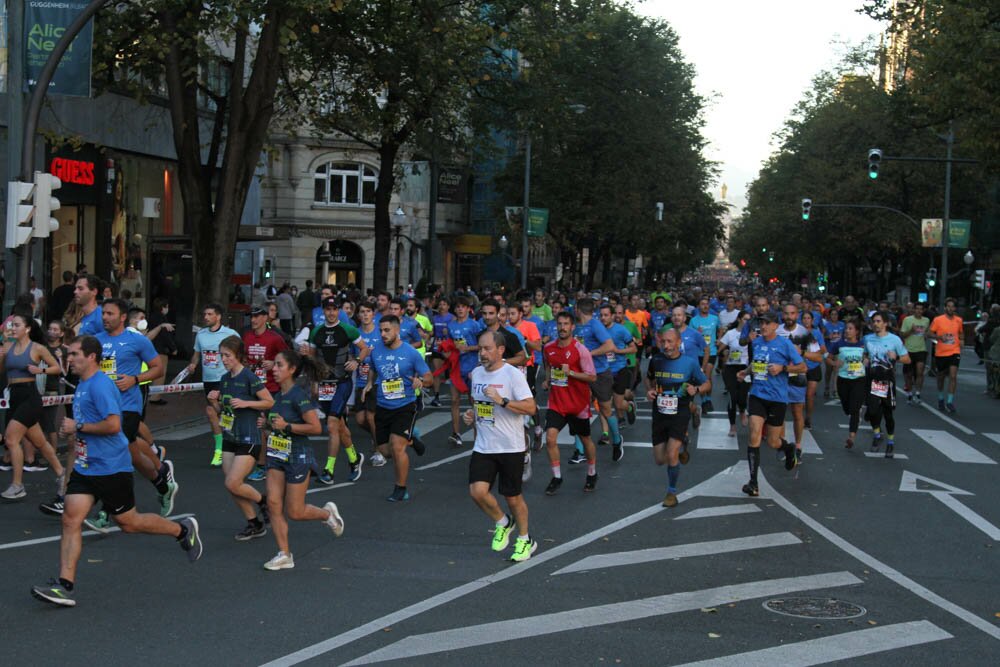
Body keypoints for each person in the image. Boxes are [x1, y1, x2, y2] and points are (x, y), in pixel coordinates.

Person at [31, 335, 202, 607]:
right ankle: (64, 586)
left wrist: (79, 428)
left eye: (75, 354)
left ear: (91, 357)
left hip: (112, 467)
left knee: (129, 522)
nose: (70, 359)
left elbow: (113, 425)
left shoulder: (101, 386)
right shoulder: (83, 384)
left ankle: (182, 530)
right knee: (70, 520)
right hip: (87, 468)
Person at [90, 298, 176, 527]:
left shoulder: (136, 341)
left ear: (122, 317)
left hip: (128, 406)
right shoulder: (96, 341)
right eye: (103, 314)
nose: (105, 317)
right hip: (103, 407)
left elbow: (158, 367)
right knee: (133, 456)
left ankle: (105, 512)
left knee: (113, 454)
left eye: (110, 314)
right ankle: (162, 484)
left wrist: (135, 379)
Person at [257, 349, 344, 570]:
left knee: (295, 511)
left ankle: (327, 514)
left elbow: (315, 427)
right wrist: (266, 425)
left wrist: (286, 426)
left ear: (292, 369)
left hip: (297, 455)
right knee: (273, 504)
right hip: (276, 455)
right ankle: (285, 554)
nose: (274, 369)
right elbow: (276, 425)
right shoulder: (278, 395)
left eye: (278, 365)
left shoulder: (299, 396)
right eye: (274, 365)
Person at [464, 330, 539, 562]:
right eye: (480, 348)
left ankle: (525, 539)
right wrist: (471, 414)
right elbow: (478, 404)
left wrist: (503, 400)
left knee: (513, 497)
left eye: (487, 349)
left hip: (510, 447)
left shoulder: (512, 375)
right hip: (484, 445)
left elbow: (531, 408)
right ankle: (503, 522)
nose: (482, 353)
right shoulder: (476, 374)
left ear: (500, 350)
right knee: (477, 492)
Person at [208, 336, 274, 540]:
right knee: (232, 484)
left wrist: (247, 404)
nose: (223, 359)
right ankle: (254, 523)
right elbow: (224, 410)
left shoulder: (249, 377)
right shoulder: (225, 379)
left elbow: (269, 402)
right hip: (230, 435)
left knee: (233, 482)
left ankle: (263, 501)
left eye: (227, 355)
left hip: (249, 437)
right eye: (222, 355)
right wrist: (214, 403)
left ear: (238, 356)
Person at [363, 315, 433, 502]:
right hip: (383, 405)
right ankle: (411, 438)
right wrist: (369, 383)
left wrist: (421, 381)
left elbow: (429, 378)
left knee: (396, 446)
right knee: (385, 451)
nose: (383, 334)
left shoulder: (410, 353)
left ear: (397, 330)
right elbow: (372, 368)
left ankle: (401, 489)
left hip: (405, 405)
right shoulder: (376, 351)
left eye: (387, 330)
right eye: (381, 330)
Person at [0, 314, 67, 500]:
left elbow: (56, 368)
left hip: (30, 395)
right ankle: (62, 475)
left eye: (17, 325)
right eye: (11, 325)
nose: (13, 328)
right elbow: (2, 371)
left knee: (11, 439)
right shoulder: (8, 347)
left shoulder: (37, 348)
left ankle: (17, 485)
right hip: (14, 395)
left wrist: (40, 370)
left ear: (27, 328)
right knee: (39, 442)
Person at [738, 311, 805, 497]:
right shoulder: (757, 342)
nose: (764, 327)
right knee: (754, 435)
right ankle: (753, 482)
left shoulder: (785, 344)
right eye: (761, 323)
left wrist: (783, 368)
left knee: (773, 441)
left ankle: (788, 448)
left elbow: (802, 366)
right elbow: (756, 363)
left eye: (767, 323)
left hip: (777, 398)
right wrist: (745, 372)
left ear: (776, 325)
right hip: (758, 394)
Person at [304, 296, 369, 484]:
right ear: (323, 311)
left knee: (332, 424)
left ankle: (329, 470)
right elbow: (313, 360)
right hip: (325, 385)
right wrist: (314, 383)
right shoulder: (317, 331)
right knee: (340, 427)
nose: (331, 313)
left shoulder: (347, 329)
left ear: (339, 311)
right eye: (328, 309)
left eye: (334, 309)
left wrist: (356, 361)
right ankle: (355, 459)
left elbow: (364, 349)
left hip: (342, 382)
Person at [646, 328, 711, 507]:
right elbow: (649, 379)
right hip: (659, 413)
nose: (666, 345)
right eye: (663, 342)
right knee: (660, 460)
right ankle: (684, 443)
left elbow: (707, 383)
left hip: (680, 413)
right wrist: (650, 390)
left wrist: (696, 389)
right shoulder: (656, 360)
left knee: (671, 453)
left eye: (669, 342)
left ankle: (671, 493)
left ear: (678, 342)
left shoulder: (689, 363)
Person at [541, 311, 598, 495]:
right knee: (550, 438)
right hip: (557, 402)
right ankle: (557, 477)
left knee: (585, 439)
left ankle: (591, 473)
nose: (562, 327)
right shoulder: (548, 347)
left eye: (566, 324)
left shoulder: (581, 350)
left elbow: (592, 377)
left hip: (577, 404)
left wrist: (571, 373)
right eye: (560, 324)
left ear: (573, 327)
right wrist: (547, 380)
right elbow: (549, 365)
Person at [186, 303, 239, 466]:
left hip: (225, 378)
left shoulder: (230, 334)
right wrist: (193, 364)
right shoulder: (201, 334)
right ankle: (220, 449)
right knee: (212, 412)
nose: (206, 317)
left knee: (224, 413)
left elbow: (240, 354)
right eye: (205, 314)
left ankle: (229, 446)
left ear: (218, 316)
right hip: (208, 379)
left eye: (209, 314)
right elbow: (197, 354)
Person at [242, 305, 288, 481]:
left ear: (265, 318)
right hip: (253, 388)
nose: (253, 320)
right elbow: (244, 358)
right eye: (251, 317)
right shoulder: (247, 336)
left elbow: (288, 359)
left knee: (265, 426)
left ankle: (263, 465)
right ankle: (270, 461)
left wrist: (274, 364)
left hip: (271, 389)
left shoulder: (275, 338)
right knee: (257, 427)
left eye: (256, 316)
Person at [863, 311, 911, 458]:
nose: (875, 324)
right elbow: (865, 354)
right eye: (873, 322)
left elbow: (907, 359)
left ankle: (890, 442)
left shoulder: (894, 340)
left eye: (878, 321)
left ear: (885, 323)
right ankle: (877, 435)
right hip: (872, 379)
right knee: (871, 412)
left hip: (887, 380)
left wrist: (895, 357)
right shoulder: (867, 339)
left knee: (888, 413)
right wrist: (864, 360)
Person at [599, 303, 638, 461]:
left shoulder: (621, 330)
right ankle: (606, 434)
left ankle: (630, 407)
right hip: (603, 372)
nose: (603, 318)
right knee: (604, 404)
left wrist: (618, 351)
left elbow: (633, 348)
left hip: (620, 370)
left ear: (613, 315)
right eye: (601, 315)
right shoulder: (597, 331)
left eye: (606, 315)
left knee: (619, 404)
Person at [445, 296, 485, 447]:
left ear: (468, 309)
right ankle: (456, 434)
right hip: (456, 368)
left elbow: (482, 346)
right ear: (455, 309)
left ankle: (478, 435)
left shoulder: (475, 325)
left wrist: (467, 348)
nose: (460, 309)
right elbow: (448, 345)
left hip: (472, 367)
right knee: (454, 400)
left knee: (473, 401)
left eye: (463, 307)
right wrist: (447, 353)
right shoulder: (450, 326)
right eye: (458, 307)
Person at [352, 302, 384, 466]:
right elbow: (352, 356)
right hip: (360, 381)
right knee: (359, 419)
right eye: (362, 312)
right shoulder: (355, 334)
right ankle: (378, 437)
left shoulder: (380, 332)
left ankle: (379, 451)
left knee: (371, 417)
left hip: (377, 381)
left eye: (368, 311)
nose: (365, 315)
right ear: (358, 315)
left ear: (373, 314)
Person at [834, 320, 867, 450]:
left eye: (850, 328)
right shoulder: (839, 344)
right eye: (846, 328)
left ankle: (851, 437)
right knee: (846, 408)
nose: (847, 331)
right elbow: (828, 357)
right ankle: (855, 413)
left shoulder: (863, 345)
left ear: (857, 331)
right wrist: (834, 363)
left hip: (859, 379)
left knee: (854, 410)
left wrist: (867, 360)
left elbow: (869, 356)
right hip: (843, 379)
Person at [717, 313, 751, 437]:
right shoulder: (731, 333)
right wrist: (724, 352)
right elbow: (719, 350)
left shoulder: (751, 334)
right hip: (731, 368)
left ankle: (742, 410)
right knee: (732, 396)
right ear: (739, 319)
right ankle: (732, 425)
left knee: (741, 396)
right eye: (745, 319)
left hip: (746, 368)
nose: (747, 322)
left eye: (749, 319)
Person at [927, 298, 963, 413]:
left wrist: (962, 340)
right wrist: (939, 337)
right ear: (945, 307)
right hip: (941, 352)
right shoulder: (938, 320)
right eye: (948, 306)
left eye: (952, 306)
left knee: (953, 376)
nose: (950, 308)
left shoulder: (959, 320)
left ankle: (950, 401)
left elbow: (961, 333)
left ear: (955, 308)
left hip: (954, 351)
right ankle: (941, 397)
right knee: (941, 376)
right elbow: (929, 333)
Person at [689, 297, 721, 413]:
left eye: (707, 304)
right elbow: (690, 336)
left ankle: (708, 399)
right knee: (700, 377)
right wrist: (697, 333)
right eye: (702, 304)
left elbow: (720, 329)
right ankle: (704, 399)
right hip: (698, 353)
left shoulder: (715, 318)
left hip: (711, 351)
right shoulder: (693, 321)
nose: (705, 306)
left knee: (707, 374)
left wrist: (719, 339)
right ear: (698, 306)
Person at [146, 298, 177, 404]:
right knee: (160, 373)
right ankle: (155, 397)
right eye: (166, 307)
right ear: (163, 307)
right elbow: (165, 335)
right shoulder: (162, 319)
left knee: (151, 372)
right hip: (160, 349)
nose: (167, 309)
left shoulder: (151, 317)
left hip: (150, 348)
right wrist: (173, 348)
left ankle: (150, 394)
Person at [800, 311, 827, 430]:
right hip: (800, 366)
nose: (806, 320)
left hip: (814, 366)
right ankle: (799, 417)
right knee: (800, 395)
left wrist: (812, 353)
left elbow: (823, 349)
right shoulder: (797, 332)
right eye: (804, 318)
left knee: (810, 395)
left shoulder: (817, 333)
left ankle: (808, 418)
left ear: (812, 320)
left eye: (808, 318)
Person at [900, 302, 930, 405]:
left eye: (921, 309)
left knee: (920, 372)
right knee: (908, 374)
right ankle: (909, 393)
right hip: (908, 350)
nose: (918, 311)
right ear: (914, 310)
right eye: (917, 309)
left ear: (923, 310)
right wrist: (911, 331)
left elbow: (927, 333)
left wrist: (927, 335)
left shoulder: (926, 320)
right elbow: (902, 335)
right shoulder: (907, 320)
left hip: (921, 349)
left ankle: (917, 393)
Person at [822, 308, 845, 399]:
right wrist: (829, 336)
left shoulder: (842, 325)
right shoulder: (826, 325)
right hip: (829, 350)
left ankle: (835, 390)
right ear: (829, 316)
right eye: (832, 314)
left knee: (837, 369)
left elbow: (845, 335)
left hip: (839, 350)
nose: (834, 316)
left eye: (836, 314)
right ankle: (827, 386)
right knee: (829, 370)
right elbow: (822, 337)